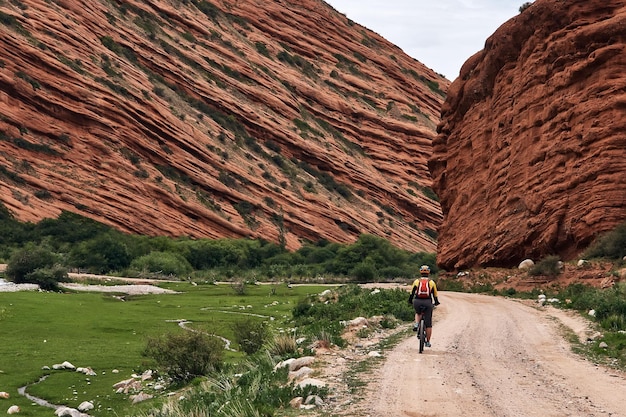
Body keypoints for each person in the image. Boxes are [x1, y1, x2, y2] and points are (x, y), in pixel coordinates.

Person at [408, 265, 440, 347]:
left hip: (417, 301)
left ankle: (416, 324)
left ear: (420, 272)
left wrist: (410, 301)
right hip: (427, 302)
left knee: (418, 313)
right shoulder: (431, 282)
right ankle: (428, 342)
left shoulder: (416, 281)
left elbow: (412, 293)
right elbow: (435, 295)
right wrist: (436, 302)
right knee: (428, 324)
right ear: (428, 273)